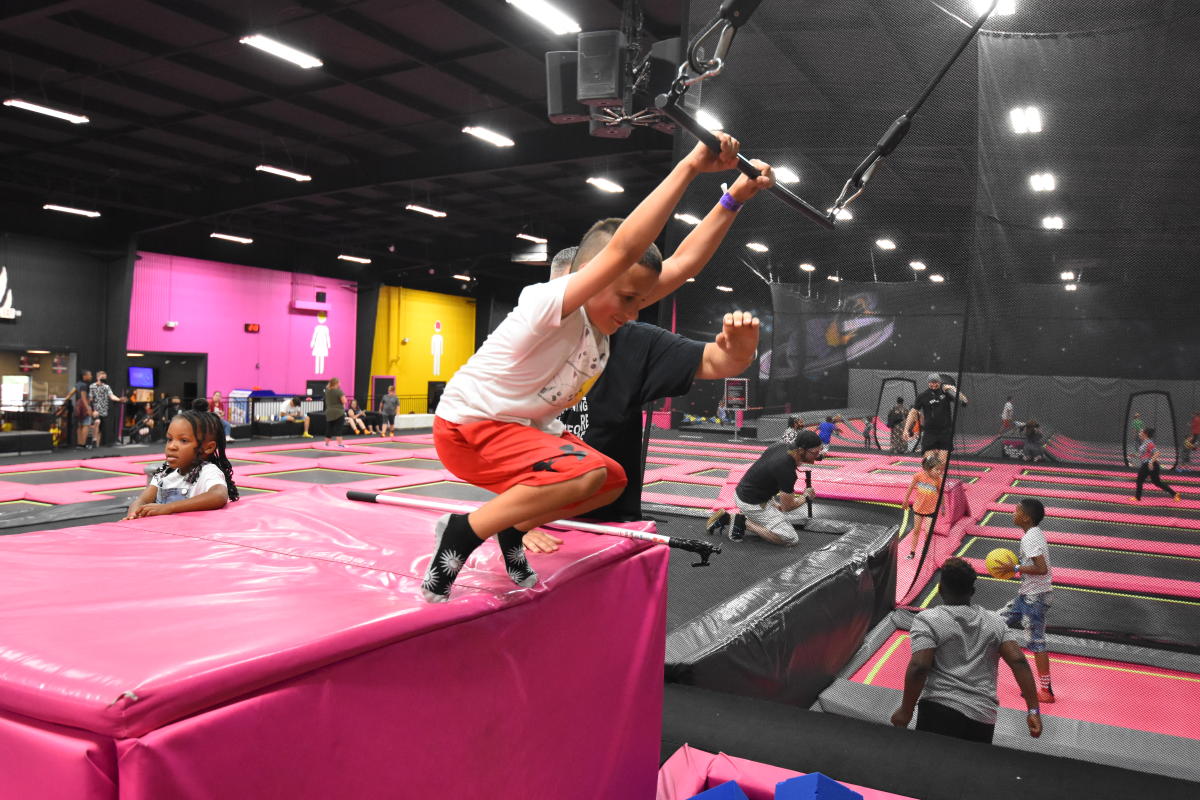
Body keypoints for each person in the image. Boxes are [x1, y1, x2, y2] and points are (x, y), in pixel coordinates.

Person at [425, 133, 748, 602]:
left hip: (516, 431)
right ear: (592, 276)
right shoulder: (549, 304)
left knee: (609, 480)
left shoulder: (603, 322)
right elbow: (621, 250)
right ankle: (463, 530)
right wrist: (690, 168)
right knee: (584, 474)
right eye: (626, 299)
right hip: (468, 429)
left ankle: (511, 531)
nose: (634, 313)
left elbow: (680, 267)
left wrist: (734, 196)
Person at [524, 156, 773, 554]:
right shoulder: (533, 329)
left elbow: (680, 267)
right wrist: (517, 523)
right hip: (531, 516)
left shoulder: (626, 333)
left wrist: (733, 199)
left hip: (606, 522)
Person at [890, 557, 1042, 743]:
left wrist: (906, 710)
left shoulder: (928, 620)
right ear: (972, 591)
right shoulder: (995, 622)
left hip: (938, 709)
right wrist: (1033, 710)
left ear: (939, 589)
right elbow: (1019, 662)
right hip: (982, 717)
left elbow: (920, 666)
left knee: (932, 769)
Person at [706, 430, 825, 546]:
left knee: (778, 511)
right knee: (790, 538)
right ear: (801, 450)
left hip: (747, 492)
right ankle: (742, 521)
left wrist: (773, 504)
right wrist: (806, 497)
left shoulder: (781, 445)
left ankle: (733, 518)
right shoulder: (786, 469)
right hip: (751, 503)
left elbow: (766, 475)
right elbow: (787, 507)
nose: (817, 456)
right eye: (815, 453)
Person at [124, 411, 239, 518]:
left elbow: (218, 495)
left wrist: (169, 508)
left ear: (208, 448)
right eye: (169, 439)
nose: (171, 446)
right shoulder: (164, 472)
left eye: (183, 440)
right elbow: (142, 500)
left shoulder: (207, 471)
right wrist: (134, 514)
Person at [998, 498, 1056, 704]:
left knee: (1036, 641)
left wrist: (1013, 568)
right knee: (996, 624)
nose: (1013, 513)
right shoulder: (1033, 534)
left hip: (1035, 599)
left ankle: (1046, 692)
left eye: (1016, 510)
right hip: (1027, 595)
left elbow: (1041, 569)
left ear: (1026, 517)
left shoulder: (1030, 538)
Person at [904, 374, 967, 461]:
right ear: (928, 383)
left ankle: (939, 473)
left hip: (945, 433)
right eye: (931, 383)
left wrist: (954, 390)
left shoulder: (946, 392)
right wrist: (906, 429)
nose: (933, 385)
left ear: (940, 382)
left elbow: (964, 401)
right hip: (930, 433)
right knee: (928, 464)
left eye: (936, 383)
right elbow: (913, 412)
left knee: (941, 464)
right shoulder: (923, 396)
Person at [901, 452, 944, 559]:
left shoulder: (938, 480)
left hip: (931, 509)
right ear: (929, 469)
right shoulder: (918, 476)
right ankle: (912, 552)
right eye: (937, 469)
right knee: (916, 530)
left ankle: (926, 551)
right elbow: (910, 488)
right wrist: (905, 500)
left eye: (940, 470)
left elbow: (940, 493)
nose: (939, 472)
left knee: (928, 532)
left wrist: (943, 506)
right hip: (919, 508)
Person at [1131, 427, 1180, 502]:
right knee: (1157, 483)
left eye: (1140, 432)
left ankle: (1137, 498)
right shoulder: (1145, 442)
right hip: (1151, 465)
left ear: (1145, 434)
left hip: (1148, 464)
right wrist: (1135, 455)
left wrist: (1150, 462)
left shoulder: (1149, 442)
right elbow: (1145, 455)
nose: (1139, 434)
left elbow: (1157, 452)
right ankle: (1175, 494)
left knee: (1139, 480)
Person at [88, 370, 123, 448]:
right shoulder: (92, 386)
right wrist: (92, 410)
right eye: (102, 377)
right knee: (97, 422)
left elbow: (112, 396)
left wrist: (119, 399)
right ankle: (94, 440)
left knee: (100, 429)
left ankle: (96, 445)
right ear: (97, 377)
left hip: (104, 410)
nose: (103, 379)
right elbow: (90, 399)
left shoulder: (106, 387)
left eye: (104, 378)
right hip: (96, 409)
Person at [68, 370, 94, 448]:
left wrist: (64, 402)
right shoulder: (84, 385)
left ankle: (79, 443)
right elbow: (83, 398)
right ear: (84, 376)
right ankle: (82, 443)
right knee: (86, 424)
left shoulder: (78, 384)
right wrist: (88, 408)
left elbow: (70, 394)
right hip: (84, 407)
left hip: (78, 407)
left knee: (79, 425)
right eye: (89, 375)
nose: (91, 376)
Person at [324, 377, 346, 447]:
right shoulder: (339, 391)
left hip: (329, 412)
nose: (340, 384)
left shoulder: (327, 391)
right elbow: (344, 401)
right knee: (338, 428)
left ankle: (326, 443)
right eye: (339, 382)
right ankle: (339, 444)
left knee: (329, 428)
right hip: (338, 412)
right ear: (336, 383)